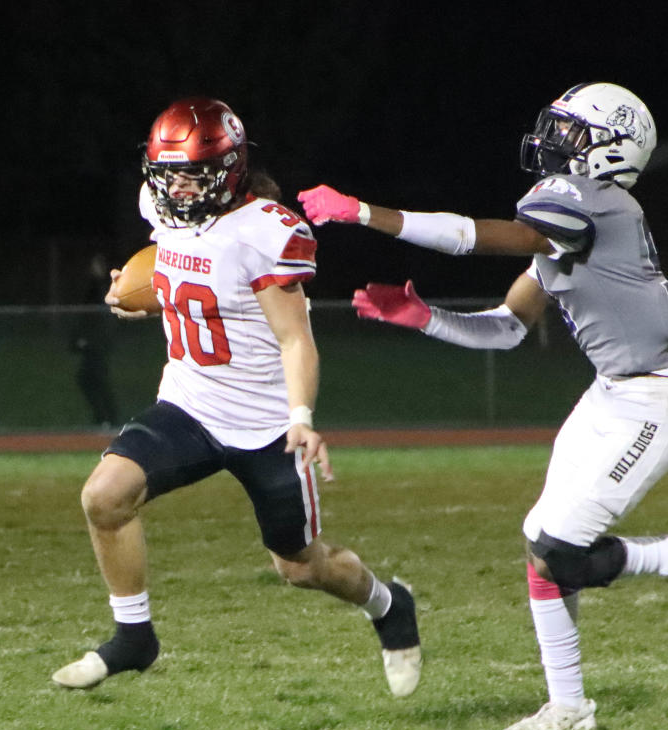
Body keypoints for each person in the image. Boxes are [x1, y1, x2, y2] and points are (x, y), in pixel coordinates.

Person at [297, 82, 668, 730]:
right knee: (542, 544)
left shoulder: (593, 203)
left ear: (613, 151)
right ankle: (569, 706)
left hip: (658, 392)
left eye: (575, 133)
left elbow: (478, 237)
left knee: (560, 545)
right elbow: (506, 328)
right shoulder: (567, 227)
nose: (558, 142)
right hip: (615, 390)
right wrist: (424, 318)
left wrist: (365, 213)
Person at [52, 97, 421, 698]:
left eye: (191, 173)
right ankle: (133, 637)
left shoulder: (266, 231)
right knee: (104, 497)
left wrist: (301, 417)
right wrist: (137, 293)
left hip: (266, 426)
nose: (175, 185)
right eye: (166, 170)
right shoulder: (162, 206)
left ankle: (388, 604)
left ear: (228, 169)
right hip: (190, 405)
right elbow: (183, 276)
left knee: (302, 568)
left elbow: (295, 338)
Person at [70, 253, 118, 429]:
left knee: (96, 380)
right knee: (88, 380)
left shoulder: (102, 287)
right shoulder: (93, 287)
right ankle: (105, 418)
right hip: (93, 344)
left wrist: (91, 340)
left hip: (98, 345)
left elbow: (99, 316)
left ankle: (108, 419)